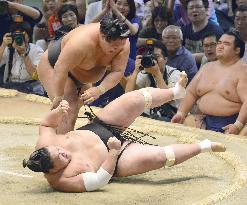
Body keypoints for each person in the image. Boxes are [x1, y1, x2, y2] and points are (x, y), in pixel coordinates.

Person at [23, 74, 226, 193]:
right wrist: (112, 152)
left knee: (135, 98)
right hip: (118, 157)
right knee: (161, 156)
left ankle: (175, 93)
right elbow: (99, 180)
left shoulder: (45, 144)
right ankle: (204, 146)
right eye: (60, 158)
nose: (63, 152)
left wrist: (58, 112)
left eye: (58, 150)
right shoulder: (62, 182)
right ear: (51, 171)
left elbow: (46, 125)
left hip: (99, 127)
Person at [37, 17, 130, 134]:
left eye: (119, 47)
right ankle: (60, 148)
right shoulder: (81, 42)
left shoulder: (123, 43)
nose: (116, 50)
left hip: (80, 76)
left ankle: (60, 137)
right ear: (102, 36)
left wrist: (99, 89)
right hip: (53, 66)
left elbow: (118, 72)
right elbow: (60, 68)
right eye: (113, 47)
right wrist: (59, 95)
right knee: (68, 109)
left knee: (75, 108)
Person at [171, 28, 247, 135]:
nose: (220, 46)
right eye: (219, 43)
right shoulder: (207, 67)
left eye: (226, 44)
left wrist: (237, 125)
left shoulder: (243, 71)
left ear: (237, 50)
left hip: (232, 123)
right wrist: (181, 113)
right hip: (203, 120)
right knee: (183, 122)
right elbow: (191, 92)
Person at [0, 21, 44, 95]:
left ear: (29, 36)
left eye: (21, 34)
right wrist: (3, 45)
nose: (18, 37)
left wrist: (24, 53)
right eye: (16, 34)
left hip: (31, 87)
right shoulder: (8, 49)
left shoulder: (37, 50)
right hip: (11, 87)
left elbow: (36, 75)